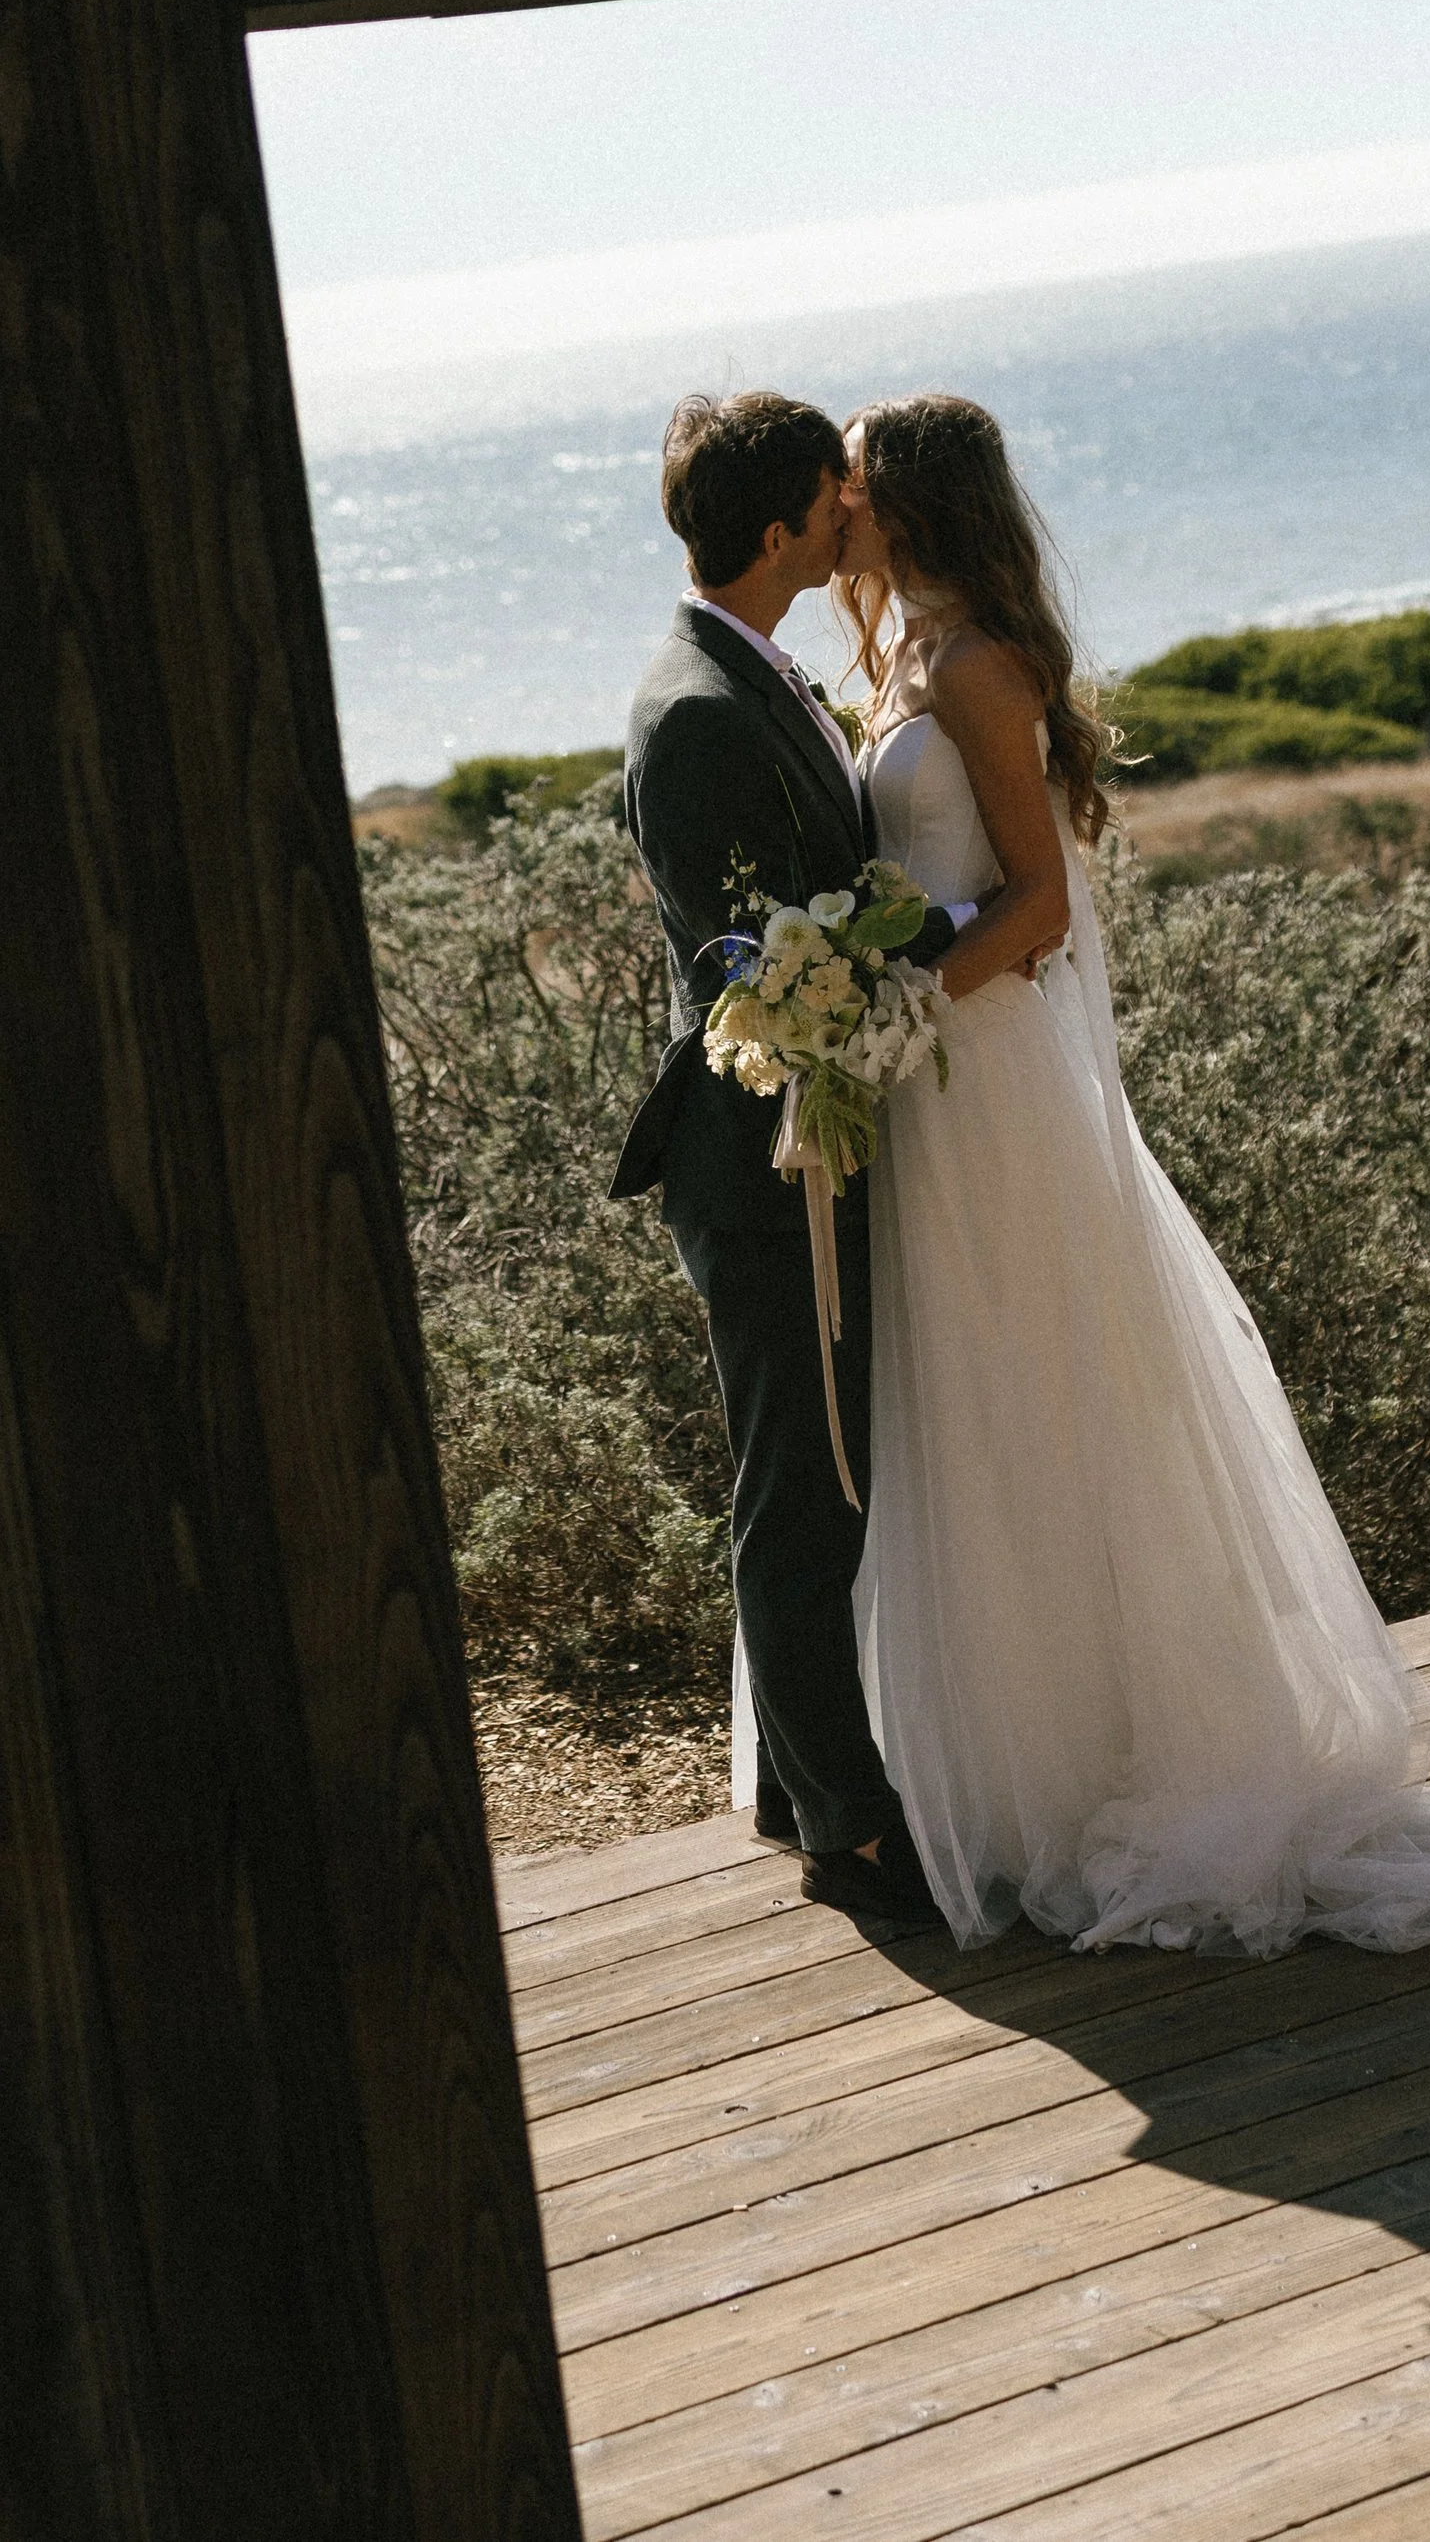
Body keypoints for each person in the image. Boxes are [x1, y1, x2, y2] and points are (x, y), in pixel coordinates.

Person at [821, 391, 1430, 1955]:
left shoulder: (981, 667)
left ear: (914, 500)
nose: (841, 507)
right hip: (933, 1088)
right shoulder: (895, 653)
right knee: (980, 1408)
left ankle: (1148, 1750)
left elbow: (1036, 907)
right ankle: (1033, 1764)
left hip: (987, 1078)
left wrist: (894, 1003)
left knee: (1056, 1392)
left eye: (859, 488)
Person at [609, 390, 970, 1930]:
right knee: (798, 1481)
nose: (849, 522)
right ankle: (845, 1824)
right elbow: (752, 968)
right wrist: (949, 937)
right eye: (832, 504)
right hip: (764, 1154)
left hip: (805, 1126)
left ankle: (797, 1776)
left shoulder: (749, 666)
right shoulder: (694, 712)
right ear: (777, 531)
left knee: (828, 1465)